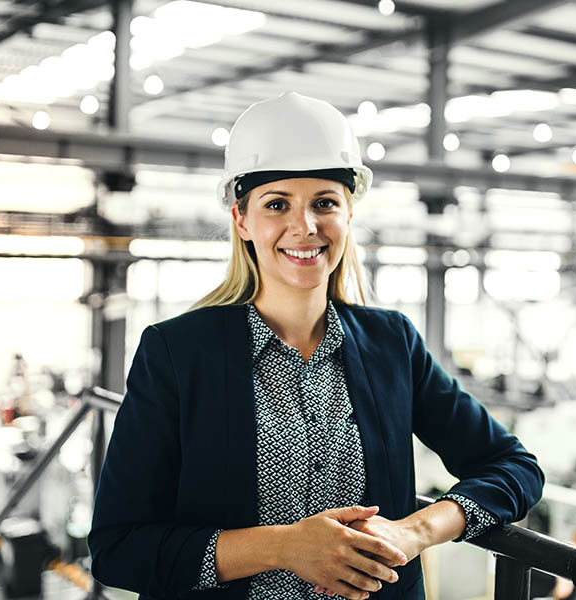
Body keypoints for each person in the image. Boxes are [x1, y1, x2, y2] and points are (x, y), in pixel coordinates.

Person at [88, 92, 544, 600]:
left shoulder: (391, 344)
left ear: (349, 215)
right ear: (242, 221)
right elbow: (118, 547)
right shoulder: (176, 354)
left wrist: (414, 531)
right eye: (277, 204)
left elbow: (514, 467)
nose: (304, 227)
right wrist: (283, 548)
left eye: (325, 202)